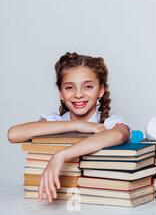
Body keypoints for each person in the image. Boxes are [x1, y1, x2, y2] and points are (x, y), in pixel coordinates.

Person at [8, 52, 130, 203]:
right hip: (56, 201)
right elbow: (13, 134)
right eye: (69, 88)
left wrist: (61, 156)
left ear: (101, 90)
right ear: (60, 93)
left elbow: (119, 136)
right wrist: (77, 125)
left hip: (99, 198)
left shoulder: (110, 123)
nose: (78, 94)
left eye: (88, 87)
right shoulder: (55, 121)